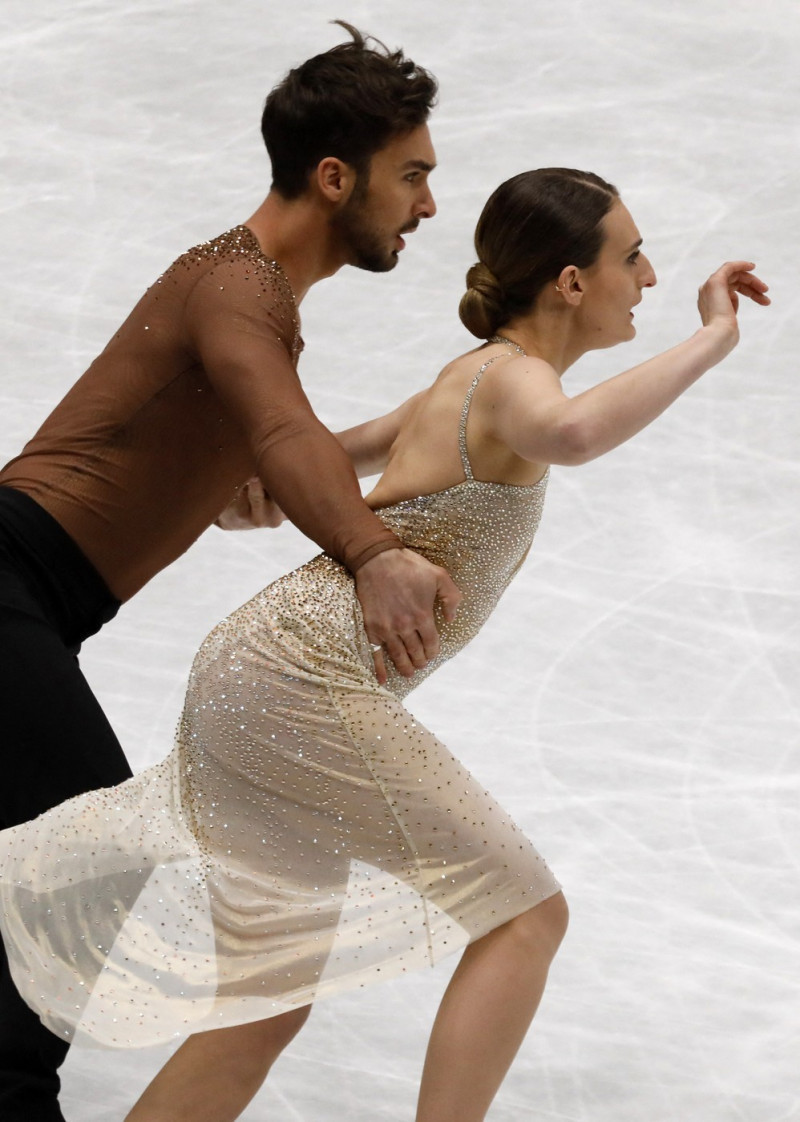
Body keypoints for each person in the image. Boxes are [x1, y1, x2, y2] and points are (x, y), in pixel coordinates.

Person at [0, 168, 769, 1122]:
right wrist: (713, 338)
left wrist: (256, 487)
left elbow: (318, 454)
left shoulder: (462, 379)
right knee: (526, 917)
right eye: (635, 257)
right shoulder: (514, 380)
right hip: (299, 680)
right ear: (572, 282)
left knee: (264, 1005)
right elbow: (571, 433)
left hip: (255, 673)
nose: (649, 278)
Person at [0, 23, 461, 1122]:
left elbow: (273, 436)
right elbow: (283, 428)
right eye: (411, 176)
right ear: (335, 177)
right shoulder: (237, 284)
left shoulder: (249, 298)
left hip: (36, 597)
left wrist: (233, 476)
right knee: (88, 837)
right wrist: (370, 551)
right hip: (8, 576)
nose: (428, 205)